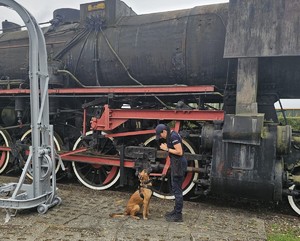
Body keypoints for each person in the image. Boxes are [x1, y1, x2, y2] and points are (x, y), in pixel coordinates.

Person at [155, 123, 187, 222]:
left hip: (179, 165)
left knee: (177, 190)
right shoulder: (171, 135)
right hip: (177, 164)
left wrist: (167, 149)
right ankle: (176, 210)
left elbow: (180, 152)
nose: (160, 137)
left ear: (164, 131)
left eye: (160, 135)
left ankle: (178, 215)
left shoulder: (173, 136)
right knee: (175, 188)